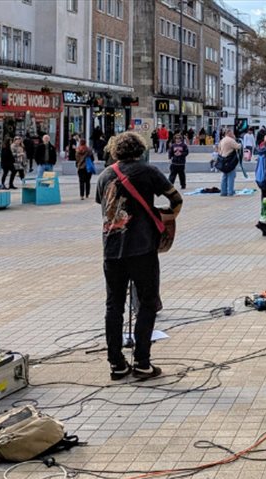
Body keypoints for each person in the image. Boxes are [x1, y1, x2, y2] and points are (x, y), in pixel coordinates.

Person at [96, 132, 183, 380]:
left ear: (115, 150)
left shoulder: (105, 175)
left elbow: (103, 206)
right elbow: (176, 199)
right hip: (142, 248)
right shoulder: (148, 171)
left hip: (112, 249)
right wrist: (167, 216)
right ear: (140, 150)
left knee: (114, 306)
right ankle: (142, 363)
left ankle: (116, 364)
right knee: (147, 303)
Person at [218, 130, 240, 197]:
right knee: (231, 176)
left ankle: (223, 192)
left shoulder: (222, 140)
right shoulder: (230, 140)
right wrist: (235, 139)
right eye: (232, 133)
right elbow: (238, 146)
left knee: (224, 177)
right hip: (230, 161)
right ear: (229, 133)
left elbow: (219, 149)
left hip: (223, 160)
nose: (233, 134)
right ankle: (230, 192)